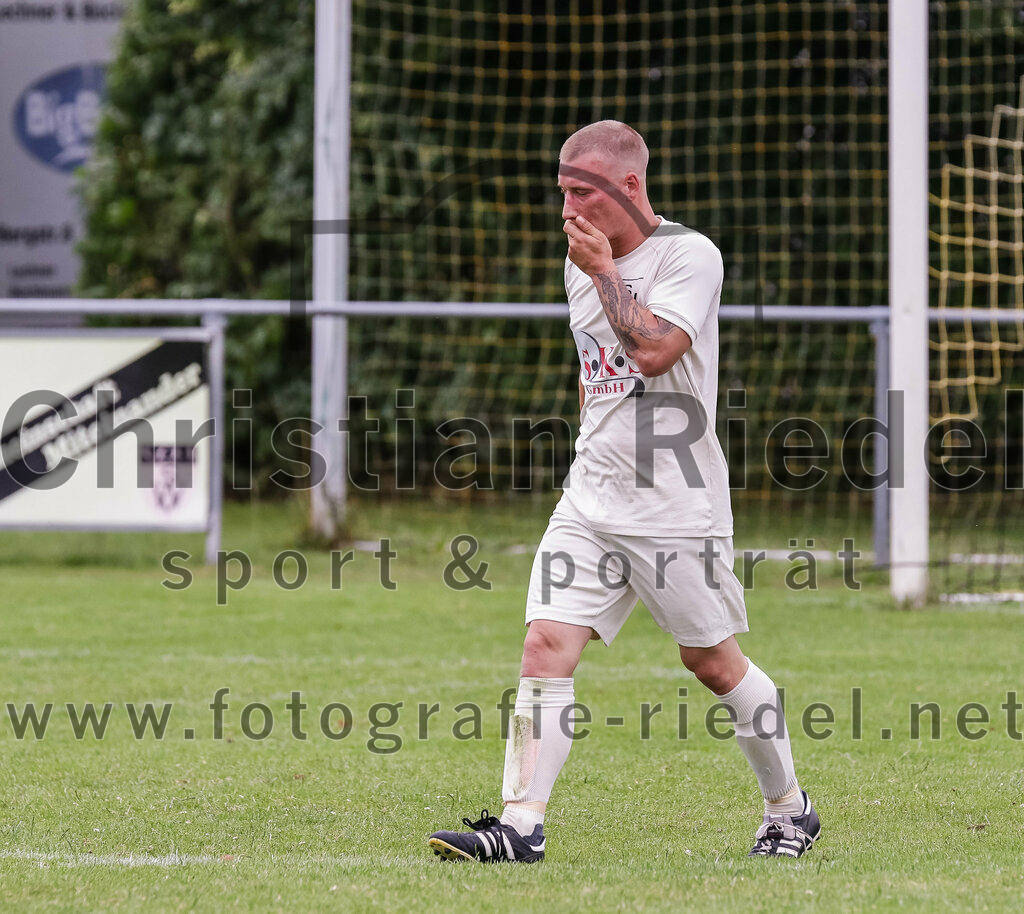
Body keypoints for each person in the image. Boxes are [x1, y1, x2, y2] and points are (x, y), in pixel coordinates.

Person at [428, 120, 820, 863]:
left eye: (583, 192)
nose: (568, 209)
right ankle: (520, 825)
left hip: (676, 501)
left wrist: (606, 270)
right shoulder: (581, 261)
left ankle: (789, 809)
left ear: (629, 186)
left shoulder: (689, 256)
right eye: (562, 192)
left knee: (711, 663)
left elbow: (651, 350)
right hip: (592, 495)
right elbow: (593, 374)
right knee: (545, 644)